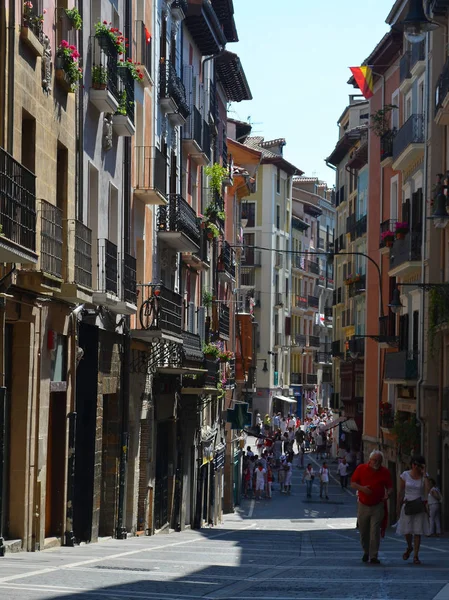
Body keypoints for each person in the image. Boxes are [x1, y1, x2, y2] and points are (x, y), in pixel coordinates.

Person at [351, 450, 393, 564]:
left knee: (375, 531)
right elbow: (353, 483)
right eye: (375, 460)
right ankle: (366, 551)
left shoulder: (384, 472)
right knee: (364, 531)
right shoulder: (361, 468)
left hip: (378, 505)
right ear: (370, 460)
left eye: (379, 461)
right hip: (363, 505)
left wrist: (387, 494)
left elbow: (390, 486)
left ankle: (374, 555)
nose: (377, 463)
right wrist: (362, 488)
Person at [396, 455, 430, 564]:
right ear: (413, 465)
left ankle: (416, 555)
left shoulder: (424, 477)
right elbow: (401, 491)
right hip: (408, 505)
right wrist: (398, 505)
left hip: (419, 506)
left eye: (420, 466)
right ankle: (409, 546)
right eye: (416, 465)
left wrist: (424, 475)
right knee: (407, 531)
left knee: (417, 531)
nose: (417, 468)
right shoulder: (405, 475)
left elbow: (428, 490)